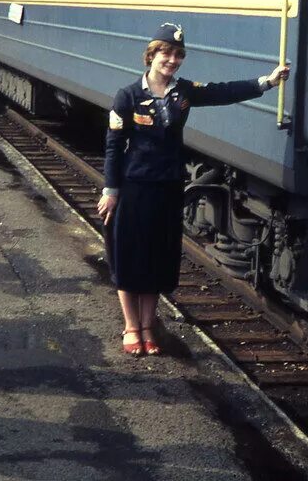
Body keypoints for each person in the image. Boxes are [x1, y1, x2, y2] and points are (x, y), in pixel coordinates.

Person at [96, 23, 288, 356]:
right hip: (134, 188)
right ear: (151, 55)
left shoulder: (183, 92)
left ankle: (147, 325)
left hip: (168, 188)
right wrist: (110, 190)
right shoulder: (127, 96)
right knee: (129, 256)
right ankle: (130, 326)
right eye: (165, 53)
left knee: (157, 257)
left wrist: (266, 82)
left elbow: (222, 92)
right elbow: (114, 146)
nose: (171, 60)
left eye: (177, 55)